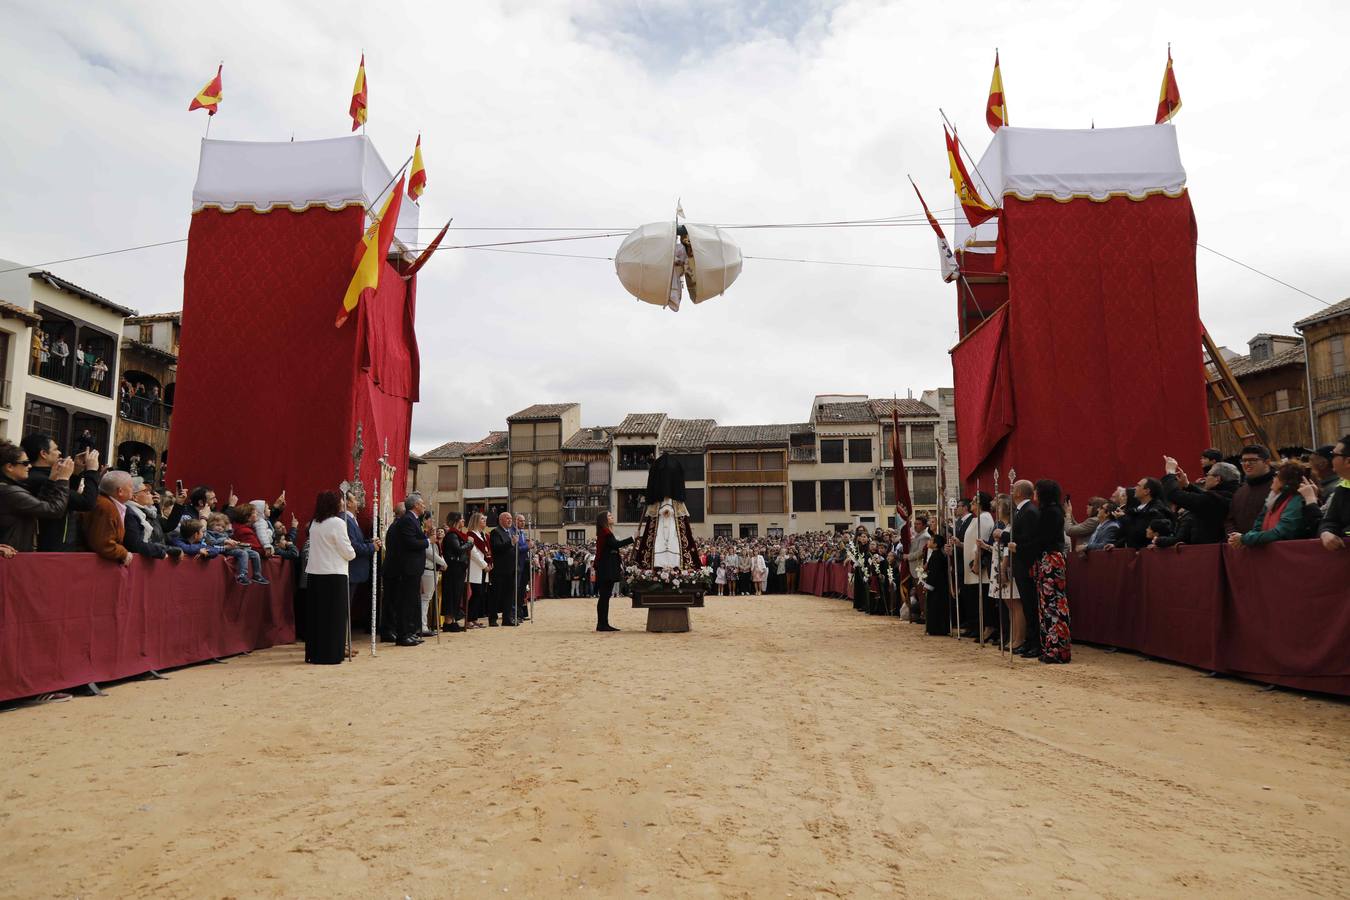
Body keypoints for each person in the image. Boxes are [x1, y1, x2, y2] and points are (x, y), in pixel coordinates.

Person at [305, 490, 356, 664]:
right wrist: (352, 553)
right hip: (334, 574)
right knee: (334, 617)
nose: (342, 503)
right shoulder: (337, 523)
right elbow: (347, 550)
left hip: (315, 573)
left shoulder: (314, 524)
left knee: (318, 616)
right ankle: (332, 653)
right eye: (340, 501)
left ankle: (316, 652)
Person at [0, 440, 72, 551]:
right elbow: (54, 510)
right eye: (24, 463)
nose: (29, 466)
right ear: (9, 467)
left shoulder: (10, 489)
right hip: (12, 558)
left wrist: (51, 480)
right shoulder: (10, 492)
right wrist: (63, 479)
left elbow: (37, 505)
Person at [1030, 479, 1070, 664]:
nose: (1034, 495)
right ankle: (1050, 647)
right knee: (1047, 605)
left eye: (1037, 491)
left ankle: (1056, 649)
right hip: (1048, 559)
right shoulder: (1050, 511)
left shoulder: (1051, 513)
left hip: (1051, 559)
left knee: (1052, 604)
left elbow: (1043, 538)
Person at [1229, 461, 1312, 547]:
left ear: (1285, 482)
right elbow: (1258, 526)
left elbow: (1281, 532)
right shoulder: (1272, 500)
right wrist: (1245, 538)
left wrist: (1244, 539)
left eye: (1277, 475)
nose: (1273, 479)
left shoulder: (1296, 500)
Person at [384, 494, 430, 645]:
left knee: (411, 601)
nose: (424, 506)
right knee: (406, 602)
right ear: (415, 505)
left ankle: (409, 632)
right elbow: (410, 542)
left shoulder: (414, 520)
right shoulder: (407, 520)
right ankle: (403, 635)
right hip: (408, 567)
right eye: (422, 503)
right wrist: (428, 541)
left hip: (414, 567)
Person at [1008, 480, 1040, 655]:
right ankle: (1029, 641)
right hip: (1020, 563)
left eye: (1013, 490)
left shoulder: (1028, 512)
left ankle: (1035, 643)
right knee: (1027, 605)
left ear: (1019, 492)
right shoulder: (1021, 511)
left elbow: (1028, 539)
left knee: (1030, 604)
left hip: (1026, 564)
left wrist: (1014, 545)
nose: (1011, 493)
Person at [344, 492, 380, 639]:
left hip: (356, 571)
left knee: (348, 608)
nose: (358, 502)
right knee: (345, 608)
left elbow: (358, 542)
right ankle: (343, 642)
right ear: (348, 503)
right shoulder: (346, 520)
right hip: (351, 570)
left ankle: (345, 641)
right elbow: (353, 546)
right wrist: (372, 547)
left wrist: (370, 542)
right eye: (354, 499)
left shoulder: (353, 520)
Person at [83, 470, 134, 566]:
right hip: (94, 566)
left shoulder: (106, 503)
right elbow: (104, 544)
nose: (133, 489)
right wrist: (124, 553)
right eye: (130, 486)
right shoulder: (106, 507)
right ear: (120, 491)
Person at [594, 510, 633, 632]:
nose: (612, 517)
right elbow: (616, 544)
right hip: (606, 568)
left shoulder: (605, 532)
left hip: (606, 567)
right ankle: (602, 624)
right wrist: (632, 538)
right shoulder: (605, 532)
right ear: (604, 520)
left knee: (605, 597)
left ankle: (603, 623)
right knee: (604, 597)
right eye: (609, 516)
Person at [1225, 445, 1275, 535]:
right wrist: (1232, 535)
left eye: (1253, 460)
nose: (1247, 464)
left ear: (1267, 462)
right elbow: (1230, 520)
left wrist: (1250, 539)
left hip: (1270, 545)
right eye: (1244, 460)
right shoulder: (1240, 492)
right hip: (1240, 546)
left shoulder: (1278, 488)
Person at [1317, 435, 1350, 550]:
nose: (1331, 459)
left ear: (1348, 461)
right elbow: (1330, 520)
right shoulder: (1343, 486)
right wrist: (1326, 533)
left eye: (1334, 455)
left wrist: (1343, 533)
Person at [441, 515, 470, 631]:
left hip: (459, 569)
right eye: (462, 519)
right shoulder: (452, 535)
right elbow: (458, 549)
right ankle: (448, 622)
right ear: (457, 521)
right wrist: (469, 544)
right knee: (451, 594)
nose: (463, 521)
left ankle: (452, 620)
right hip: (453, 569)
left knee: (456, 595)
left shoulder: (458, 534)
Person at [489, 512, 518, 626]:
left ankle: (507, 618)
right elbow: (496, 548)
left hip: (511, 568)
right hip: (500, 569)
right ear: (501, 520)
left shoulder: (511, 532)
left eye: (511, 518)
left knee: (509, 595)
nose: (510, 520)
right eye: (507, 518)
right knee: (496, 594)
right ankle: (492, 619)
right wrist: (511, 542)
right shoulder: (495, 532)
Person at [420, 518, 447, 636]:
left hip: (433, 571)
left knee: (427, 599)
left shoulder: (435, 544)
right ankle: (422, 626)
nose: (437, 534)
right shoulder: (428, 542)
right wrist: (443, 563)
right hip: (428, 570)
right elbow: (430, 554)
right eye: (434, 532)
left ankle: (423, 624)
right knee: (425, 599)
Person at [922, 528, 951, 637]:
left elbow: (934, 573)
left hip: (937, 587)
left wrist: (927, 586)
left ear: (935, 544)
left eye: (930, 540)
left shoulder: (936, 556)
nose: (928, 542)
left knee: (936, 607)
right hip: (938, 586)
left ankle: (937, 629)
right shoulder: (936, 554)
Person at [466, 511, 492, 628]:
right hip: (476, 567)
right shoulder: (471, 534)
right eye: (482, 519)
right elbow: (473, 552)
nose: (484, 521)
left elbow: (488, 551)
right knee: (476, 593)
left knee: (480, 594)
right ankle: (468, 619)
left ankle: (474, 618)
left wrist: (490, 563)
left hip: (484, 568)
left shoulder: (483, 535)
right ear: (476, 521)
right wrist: (484, 565)